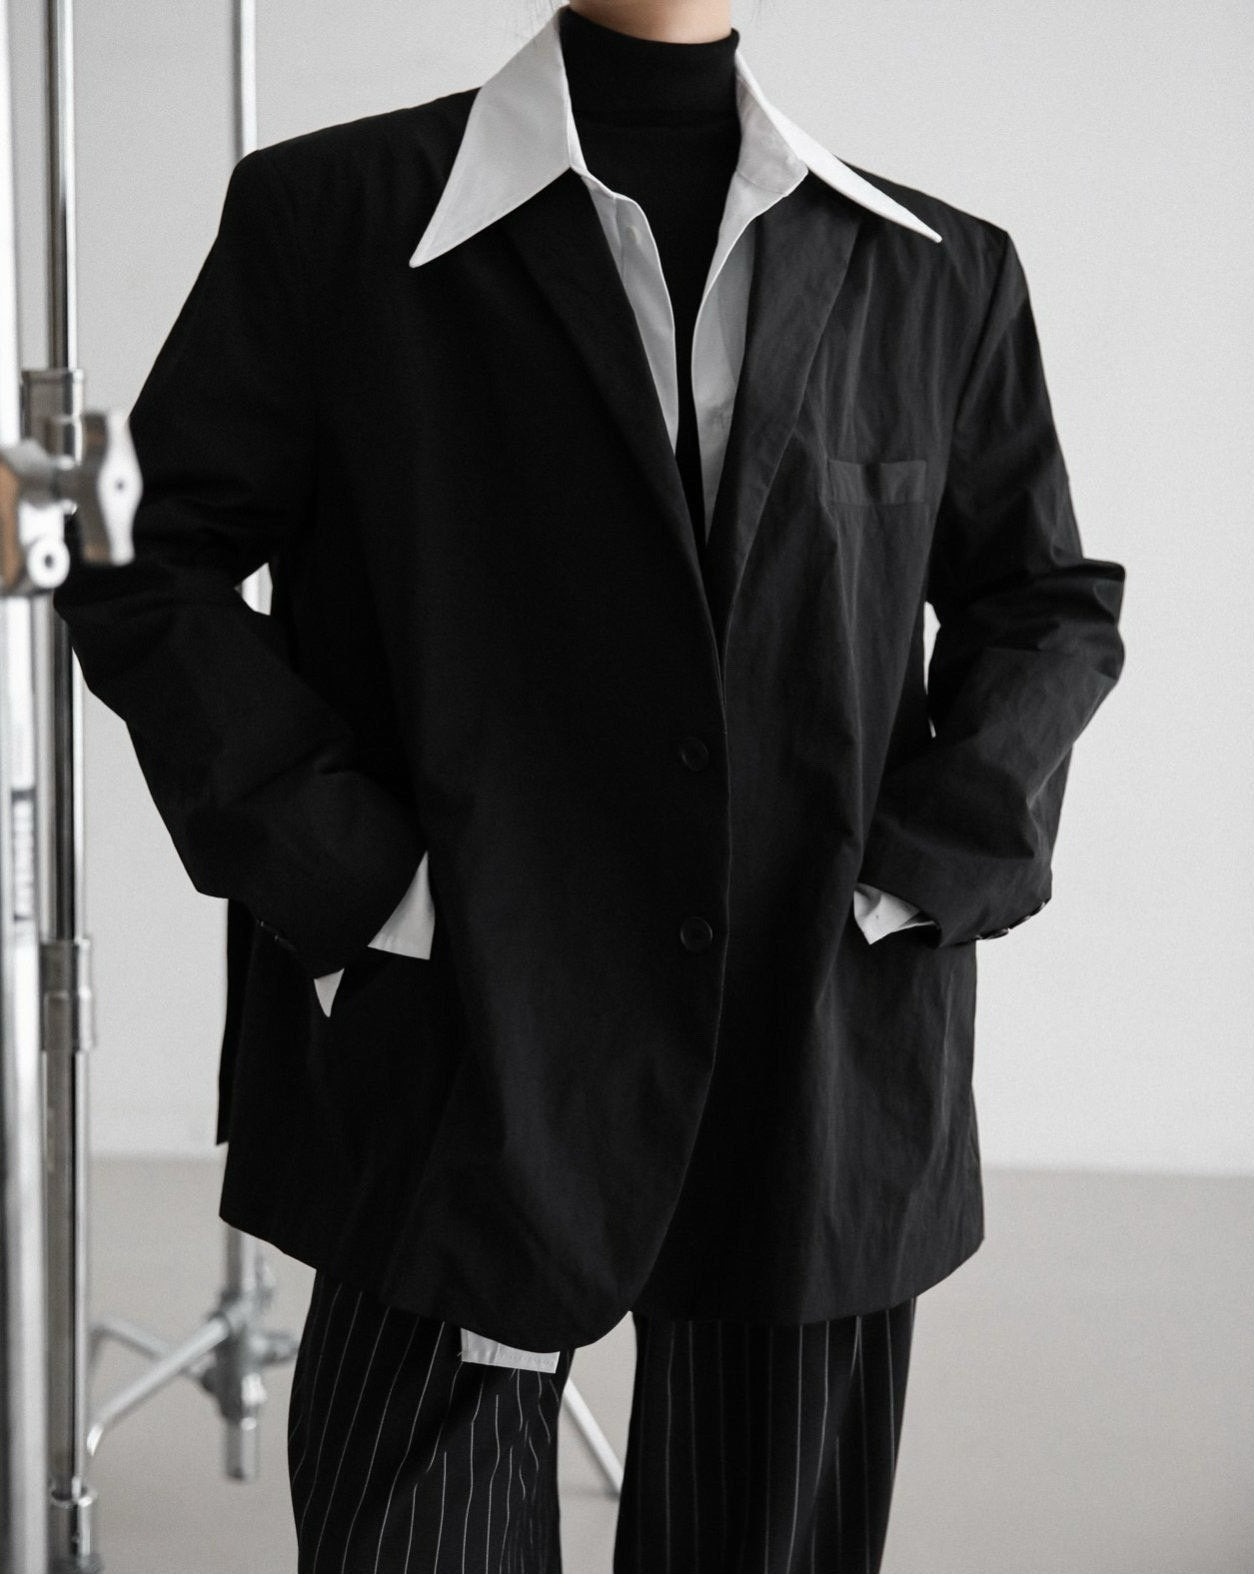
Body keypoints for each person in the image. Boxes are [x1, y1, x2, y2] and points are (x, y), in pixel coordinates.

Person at [52, 1, 1127, 1569]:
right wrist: (353, 878)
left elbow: (1043, 603)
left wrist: (915, 870)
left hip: (807, 1044)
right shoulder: (337, 218)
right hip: (461, 1026)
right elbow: (144, 554)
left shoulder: (934, 270)